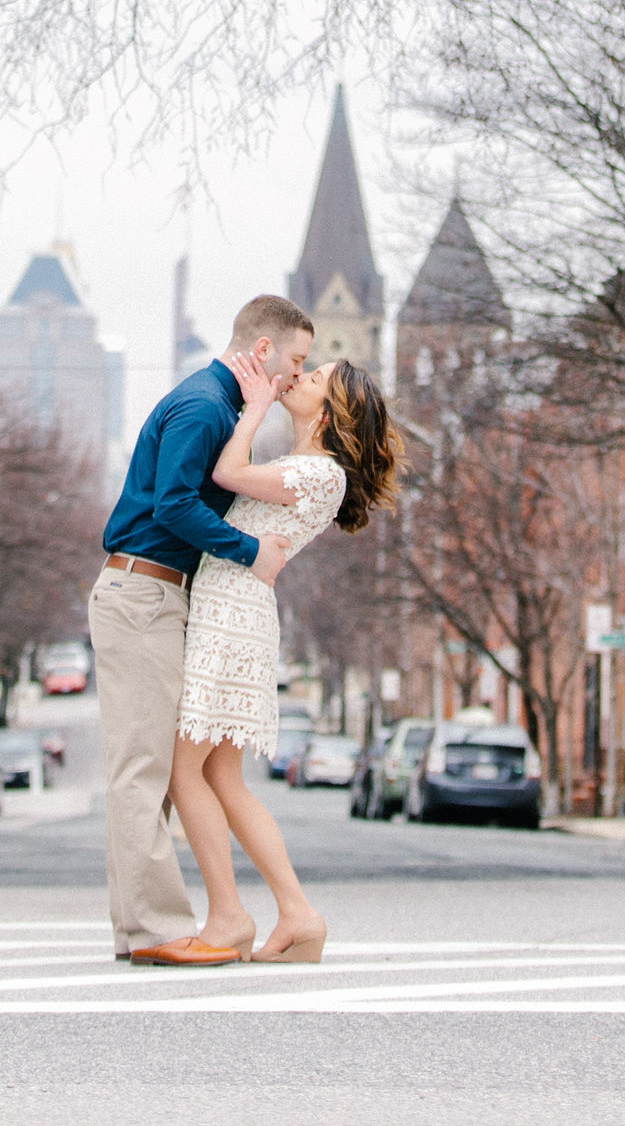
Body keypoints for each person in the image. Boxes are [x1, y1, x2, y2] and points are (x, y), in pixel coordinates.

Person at [88, 295, 315, 967]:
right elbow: (174, 503)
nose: (297, 376)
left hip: (158, 593)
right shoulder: (203, 408)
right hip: (143, 593)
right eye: (296, 361)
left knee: (147, 768)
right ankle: (156, 929)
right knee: (142, 768)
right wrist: (252, 553)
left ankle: (141, 927)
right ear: (263, 351)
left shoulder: (223, 408)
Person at [163, 348, 403, 965]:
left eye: (316, 378)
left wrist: (255, 407)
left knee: (184, 769)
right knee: (219, 775)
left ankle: (229, 917)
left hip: (232, 613)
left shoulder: (322, 473)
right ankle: (297, 914)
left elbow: (228, 474)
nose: (302, 375)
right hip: (232, 604)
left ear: (330, 411)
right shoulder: (305, 463)